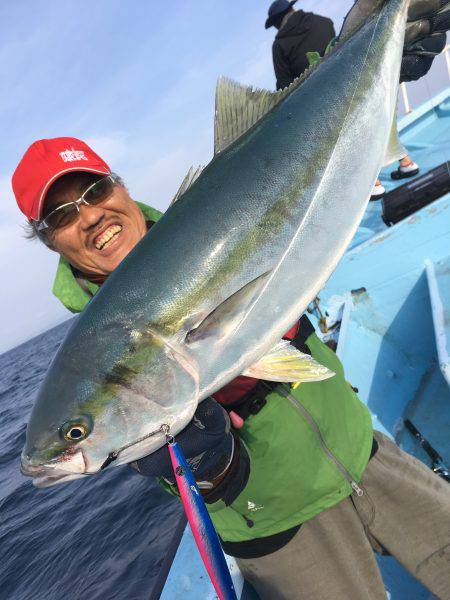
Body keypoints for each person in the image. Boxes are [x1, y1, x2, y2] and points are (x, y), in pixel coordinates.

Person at [12, 135, 450, 599]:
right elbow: (170, 459)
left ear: (117, 186)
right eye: (62, 216)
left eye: (95, 191)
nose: (90, 215)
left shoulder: (219, 219)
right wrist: (206, 469)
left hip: (362, 448)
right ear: (49, 241)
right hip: (282, 529)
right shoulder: (95, 359)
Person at [265, 0, 423, 200]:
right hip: (351, 77)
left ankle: (375, 184)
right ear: (293, 9)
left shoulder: (279, 44)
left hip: (317, 100)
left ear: (278, 21)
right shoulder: (321, 21)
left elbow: (283, 86)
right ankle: (407, 163)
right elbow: (338, 40)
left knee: (347, 136)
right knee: (374, 118)